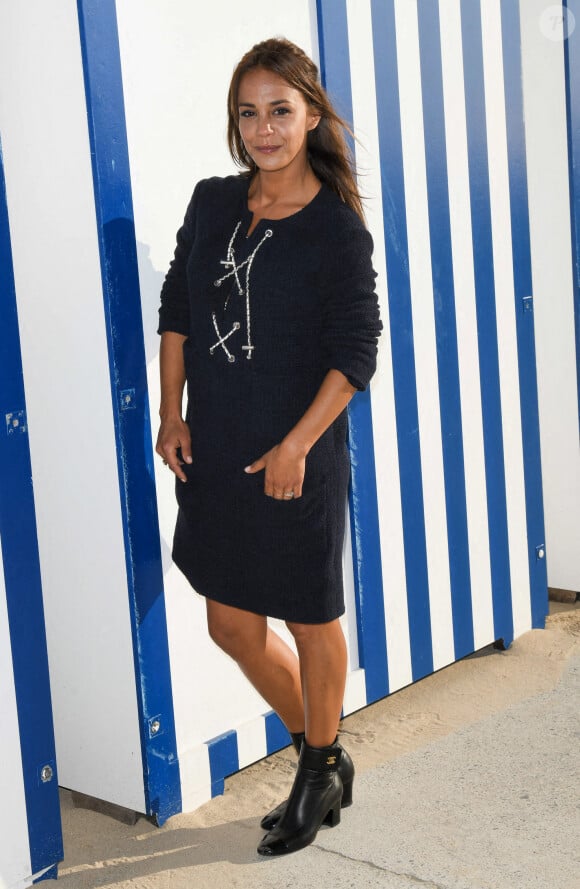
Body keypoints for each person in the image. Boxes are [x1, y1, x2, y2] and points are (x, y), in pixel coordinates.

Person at [156, 37, 381, 856]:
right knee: (231, 623)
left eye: (280, 111)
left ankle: (315, 766)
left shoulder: (335, 230)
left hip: (298, 456)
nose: (264, 129)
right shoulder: (213, 201)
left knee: (310, 614)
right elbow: (176, 307)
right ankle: (321, 750)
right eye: (249, 113)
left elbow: (357, 351)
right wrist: (171, 412)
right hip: (217, 450)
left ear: (311, 115)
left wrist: (295, 446)